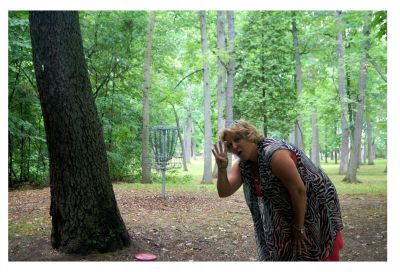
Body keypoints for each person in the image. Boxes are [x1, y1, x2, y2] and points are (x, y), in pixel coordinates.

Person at [212, 120, 344, 261]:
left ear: (249, 135)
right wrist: (221, 168)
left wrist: (299, 228)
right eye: (230, 145)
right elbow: (224, 192)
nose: (235, 146)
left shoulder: (275, 154)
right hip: (288, 211)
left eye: (237, 139)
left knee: (312, 254)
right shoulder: (244, 166)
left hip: (315, 209)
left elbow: (298, 191)